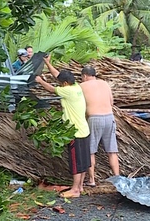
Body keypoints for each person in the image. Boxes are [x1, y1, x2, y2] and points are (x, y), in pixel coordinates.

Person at [35, 55, 90, 198]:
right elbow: (57, 75)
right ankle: (80, 186)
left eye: (61, 83)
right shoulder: (76, 86)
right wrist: (47, 62)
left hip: (75, 133)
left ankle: (75, 190)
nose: (59, 84)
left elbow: (51, 89)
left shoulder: (68, 91)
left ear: (65, 83)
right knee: (83, 161)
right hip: (84, 130)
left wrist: (40, 80)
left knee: (76, 162)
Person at [80, 65, 120, 186]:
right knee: (112, 151)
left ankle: (92, 180)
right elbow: (111, 102)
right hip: (109, 117)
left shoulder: (82, 86)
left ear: (85, 76)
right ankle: (117, 178)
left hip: (94, 118)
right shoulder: (104, 83)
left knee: (91, 151)